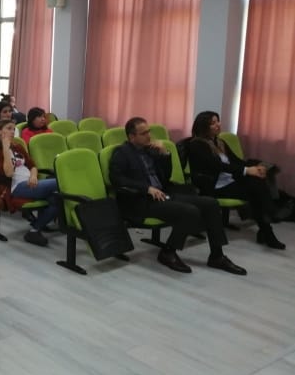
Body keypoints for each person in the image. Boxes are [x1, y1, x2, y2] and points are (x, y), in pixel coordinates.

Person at [110, 117, 247, 274]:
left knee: (210, 203)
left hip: (163, 194)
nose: (149, 136)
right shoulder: (122, 153)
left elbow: (166, 176)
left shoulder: (150, 150)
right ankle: (168, 252)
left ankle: (217, 256)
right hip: (140, 200)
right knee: (190, 211)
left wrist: (164, 154)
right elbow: (117, 179)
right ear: (131, 136)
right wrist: (146, 188)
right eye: (144, 133)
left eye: (149, 131)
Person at [188, 111, 284, 249]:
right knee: (256, 190)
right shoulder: (196, 145)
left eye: (218, 121)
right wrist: (247, 171)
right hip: (215, 186)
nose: (218, 125)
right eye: (213, 123)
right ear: (204, 126)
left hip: (229, 181)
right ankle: (269, 224)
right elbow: (217, 166)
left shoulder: (219, 142)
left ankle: (267, 228)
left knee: (257, 184)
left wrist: (255, 168)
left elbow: (236, 161)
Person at [0, 119, 59, 247]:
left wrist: (33, 176)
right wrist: (5, 148)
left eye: (14, 129)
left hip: (31, 183)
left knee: (57, 198)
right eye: (9, 128)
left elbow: (32, 165)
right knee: (61, 182)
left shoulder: (18, 147)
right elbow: (8, 173)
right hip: (15, 187)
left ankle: (34, 230)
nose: (13, 132)